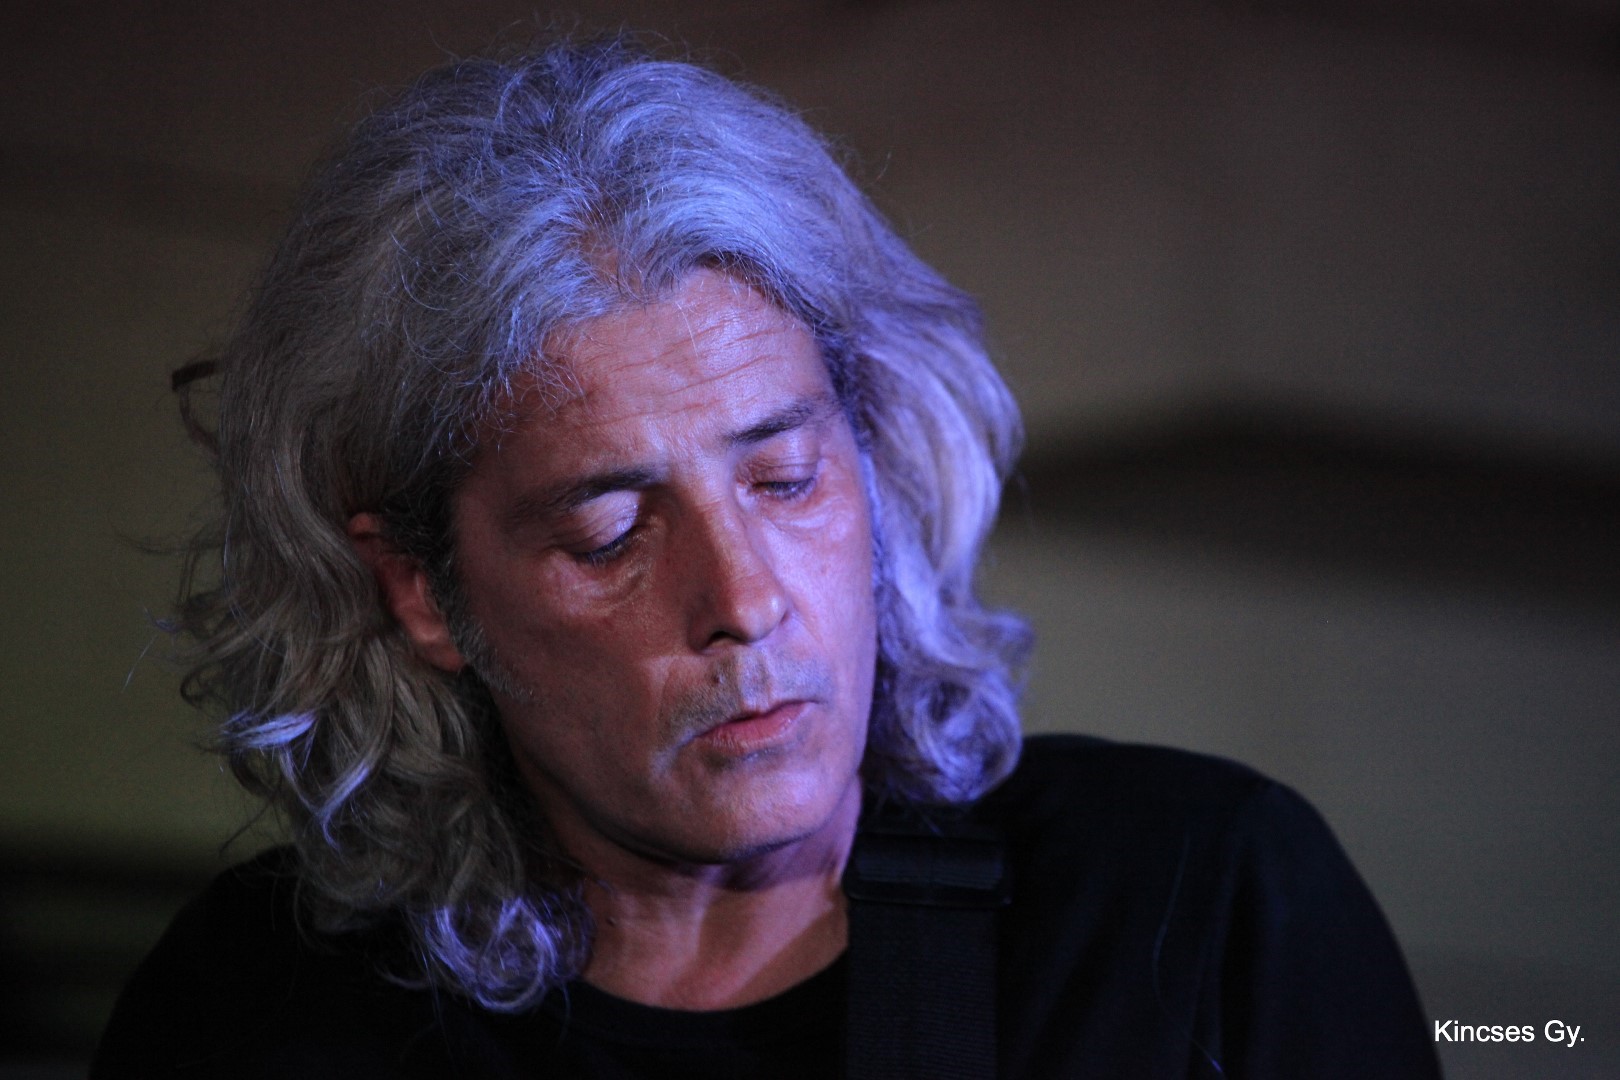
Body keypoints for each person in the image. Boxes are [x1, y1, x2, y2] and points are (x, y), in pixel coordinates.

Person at [92, 35, 1439, 1079]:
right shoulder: (250, 1010)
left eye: (786, 479)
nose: (743, 601)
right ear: (417, 589)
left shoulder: (1198, 902)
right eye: (609, 533)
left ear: (872, 459)